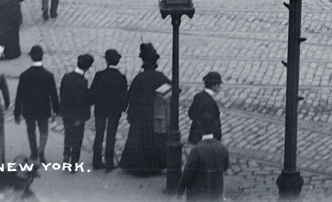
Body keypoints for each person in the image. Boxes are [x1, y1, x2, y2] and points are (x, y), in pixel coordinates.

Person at [120, 43, 172, 176]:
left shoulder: (139, 78)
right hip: (154, 115)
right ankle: (155, 166)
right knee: (155, 141)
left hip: (139, 116)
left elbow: (130, 97)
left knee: (138, 140)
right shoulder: (160, 77)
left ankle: (137, 167)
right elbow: (173, 90)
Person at [14, 45, 59, 163]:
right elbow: (53, 94)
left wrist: (17, 112)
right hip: (44, 108)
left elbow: (20, 95)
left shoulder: (24, 75)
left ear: (31, 57)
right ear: (42, 57)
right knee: (44, 130)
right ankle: (41, 152)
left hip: (29, 108)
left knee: (31, 130)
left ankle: (34, 153)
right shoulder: (49, 75)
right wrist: (56, 110)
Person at [90, 48, 128, 171]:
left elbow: (92, 92)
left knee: (99, 134)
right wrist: (122, 108)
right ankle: (109, 162)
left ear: (106, 61)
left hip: (100, 109)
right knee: (111, 135)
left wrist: (93, 103)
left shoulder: (99, 75)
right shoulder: (121, 77)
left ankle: (96, 161)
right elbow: (125, 96)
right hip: (114, 110)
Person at [60, 53, 94, 167]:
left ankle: (66, 155)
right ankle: (74, 162)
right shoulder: (82, 82)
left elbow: (62, 93)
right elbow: (81, 101)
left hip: (66, 113)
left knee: (68, 135)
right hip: (76, 116)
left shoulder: (66, 76)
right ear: (87, 68)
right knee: (77, 138)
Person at [179, 131, 230, 201]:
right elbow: (226, 166)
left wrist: (179, 193)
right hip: (216, 191)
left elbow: (187, 173)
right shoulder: (223, 148)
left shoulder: (196, 149)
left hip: (197, 193)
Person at [186, 71, 222, 141]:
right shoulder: (209, 103)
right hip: (205, 141)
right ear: (213, 86)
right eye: (218, 84)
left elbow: (191, 113)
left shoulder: (198, 96)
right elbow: (209, 124)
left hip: (194, 136)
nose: (220, 87)